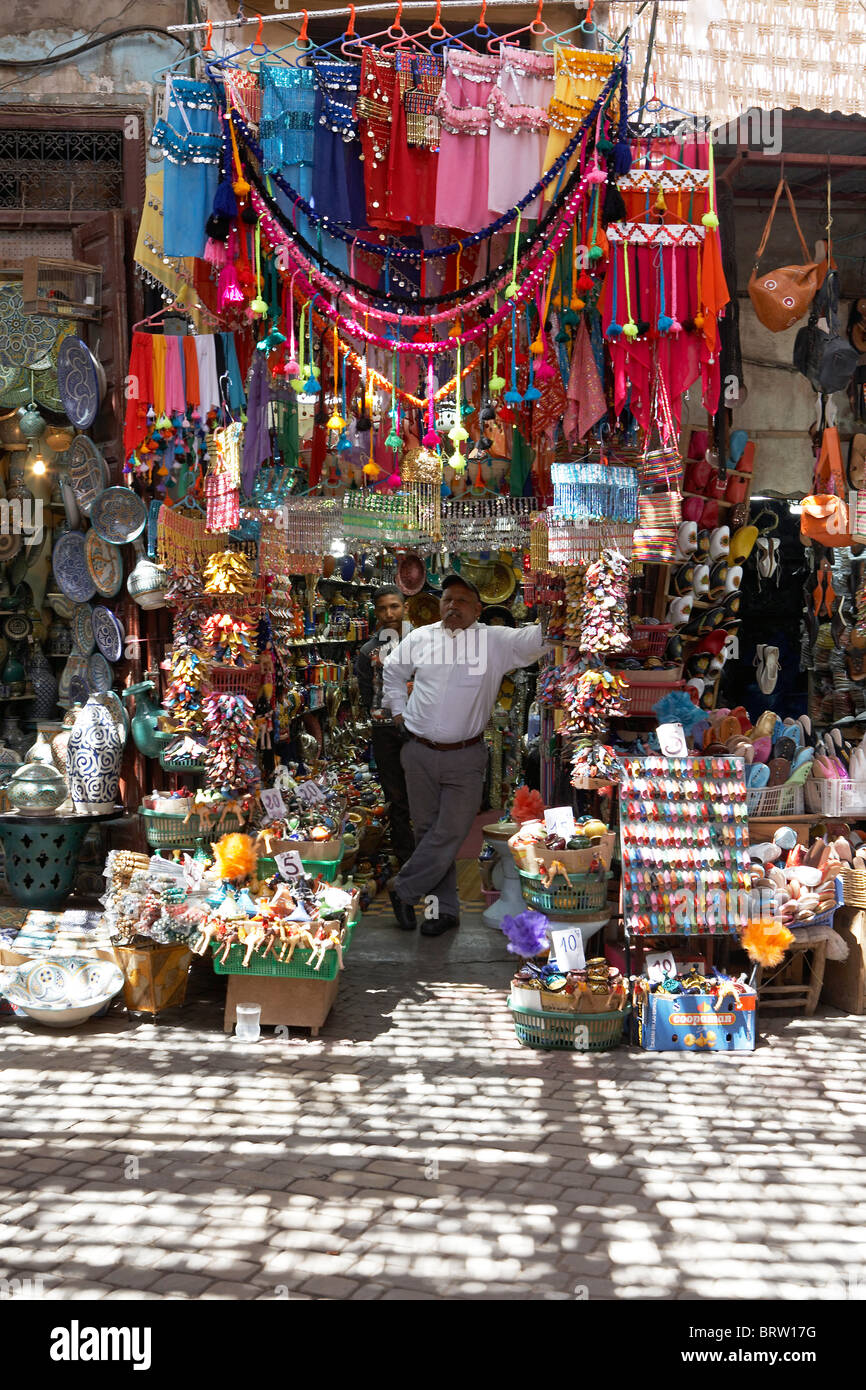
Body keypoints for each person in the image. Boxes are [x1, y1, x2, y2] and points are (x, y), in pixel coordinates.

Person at [382, 572, 545, 937]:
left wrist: (557, 606)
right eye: (447, 600)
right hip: (418, 751)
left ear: (478, 608)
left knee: (452, 831)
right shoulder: (422, 637)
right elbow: (392, 671)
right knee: (428, 833)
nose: (452, 606)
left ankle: (404, 889)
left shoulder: (494, 641)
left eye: (461, 601)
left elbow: (536, 640)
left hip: (465, 756)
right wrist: (397, 711)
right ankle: (444, 912)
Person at [354, 586, 415, 871]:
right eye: (382, 608)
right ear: (375, 612)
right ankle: (406, 858)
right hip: (386, 731)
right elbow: (368, 696)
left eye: (394, 606)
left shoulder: (425, 642)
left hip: (423, 729)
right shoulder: (368, 652)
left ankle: (431, 858)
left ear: (404, 607)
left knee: (427, 795)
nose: (389, 614)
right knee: (396, 797)